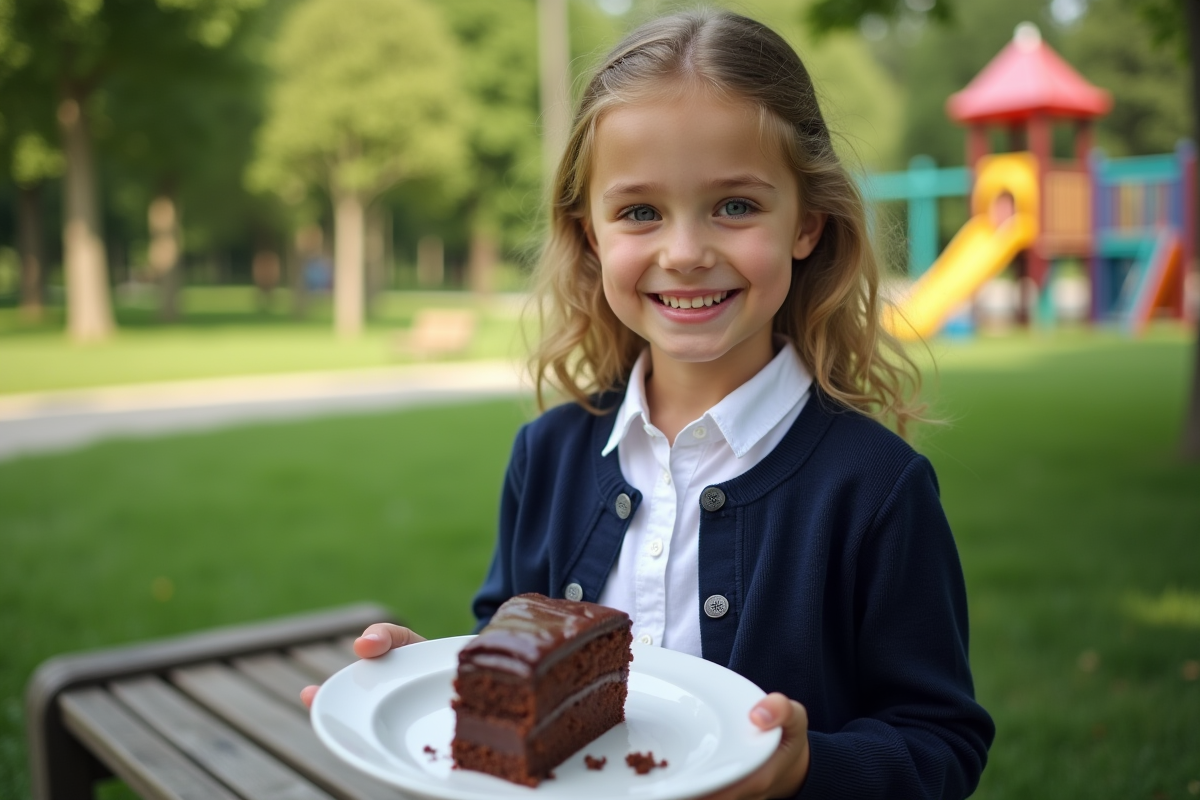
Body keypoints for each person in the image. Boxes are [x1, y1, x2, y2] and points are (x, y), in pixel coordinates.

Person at [303, 9, 994, 798]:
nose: (686, 251)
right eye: (640, 212)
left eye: (735, 205)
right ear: (590, 235)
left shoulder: (874, 488)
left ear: (807, 222)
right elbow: (509, 642)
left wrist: (807, 767)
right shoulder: (549, 456)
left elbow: (941, 743)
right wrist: (438, 683)